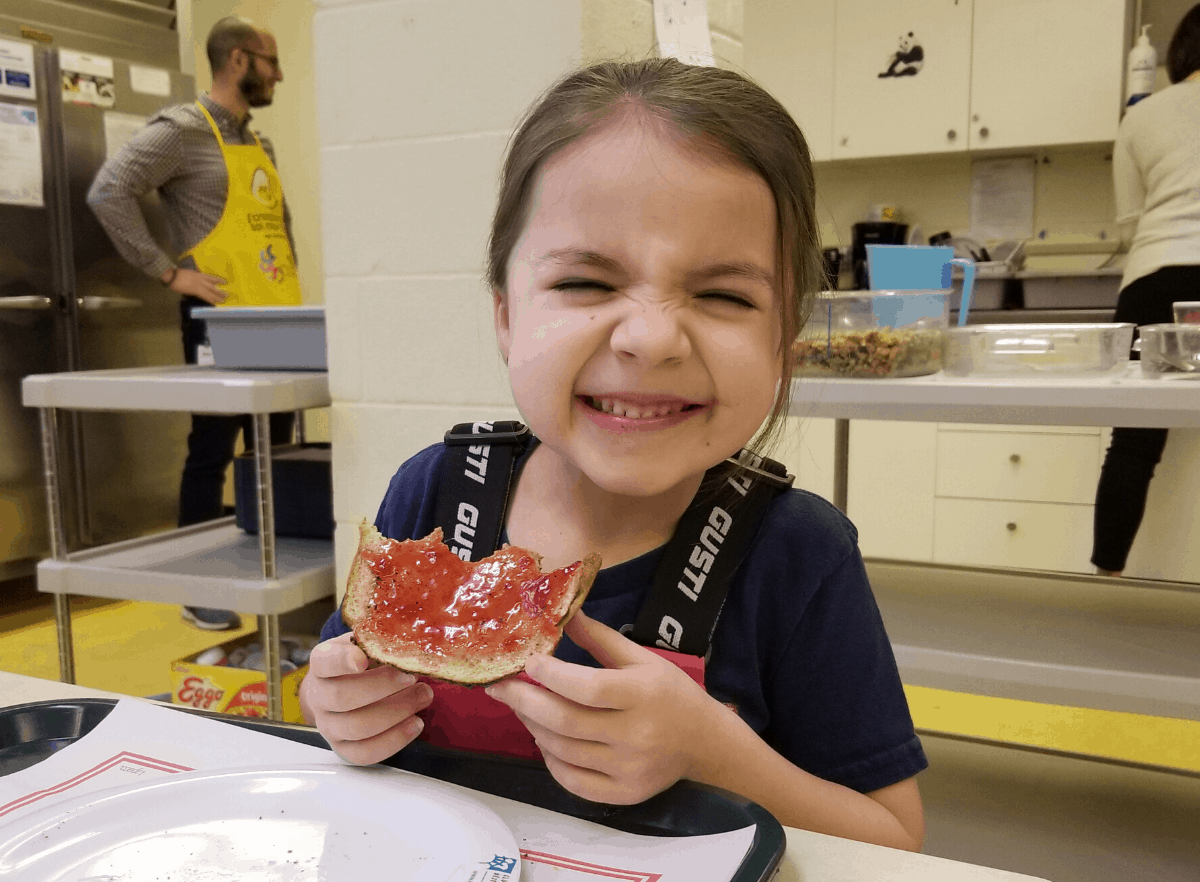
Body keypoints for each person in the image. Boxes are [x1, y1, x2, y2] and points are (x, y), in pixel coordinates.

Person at [299, 58, 927, 850]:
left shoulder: (801, 555)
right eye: (588, 283)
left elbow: (895, 840)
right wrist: (335, 707)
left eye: (725, 295)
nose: (651, 338)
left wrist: (717, 755)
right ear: (505, 315)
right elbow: (331, 689)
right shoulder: (434, 492)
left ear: (783, 347)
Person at [88, 16, 301, 629]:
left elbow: (277, 231)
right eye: (270, 61)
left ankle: (273, 578)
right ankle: (197, 585)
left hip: (279, 320)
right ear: (237, 59)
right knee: (211, 449)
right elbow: (109, 192)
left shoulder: (261, 143)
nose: (278, 74)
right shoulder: (180, 130)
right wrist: (166, 271)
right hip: (217, 321)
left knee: (276, 453)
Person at [1092, 4, 1200, 577]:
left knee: (1133, 439)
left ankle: (1108, 574)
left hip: (1157, 277)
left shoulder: (1142, 116)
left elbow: (1132, 223)